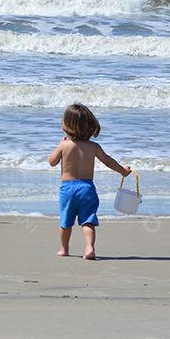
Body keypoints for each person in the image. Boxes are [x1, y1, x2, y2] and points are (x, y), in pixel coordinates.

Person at [47, 103, 132, 260]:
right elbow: (108, 161)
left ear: (67, 125)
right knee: (88, 221)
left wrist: (59, 146)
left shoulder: (64, 145)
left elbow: (52, 161)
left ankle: (64, 249)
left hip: (68, 190)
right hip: (87, 189)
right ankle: (89, 248)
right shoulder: (93, 146)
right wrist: (123, 171)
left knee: (66, 222)